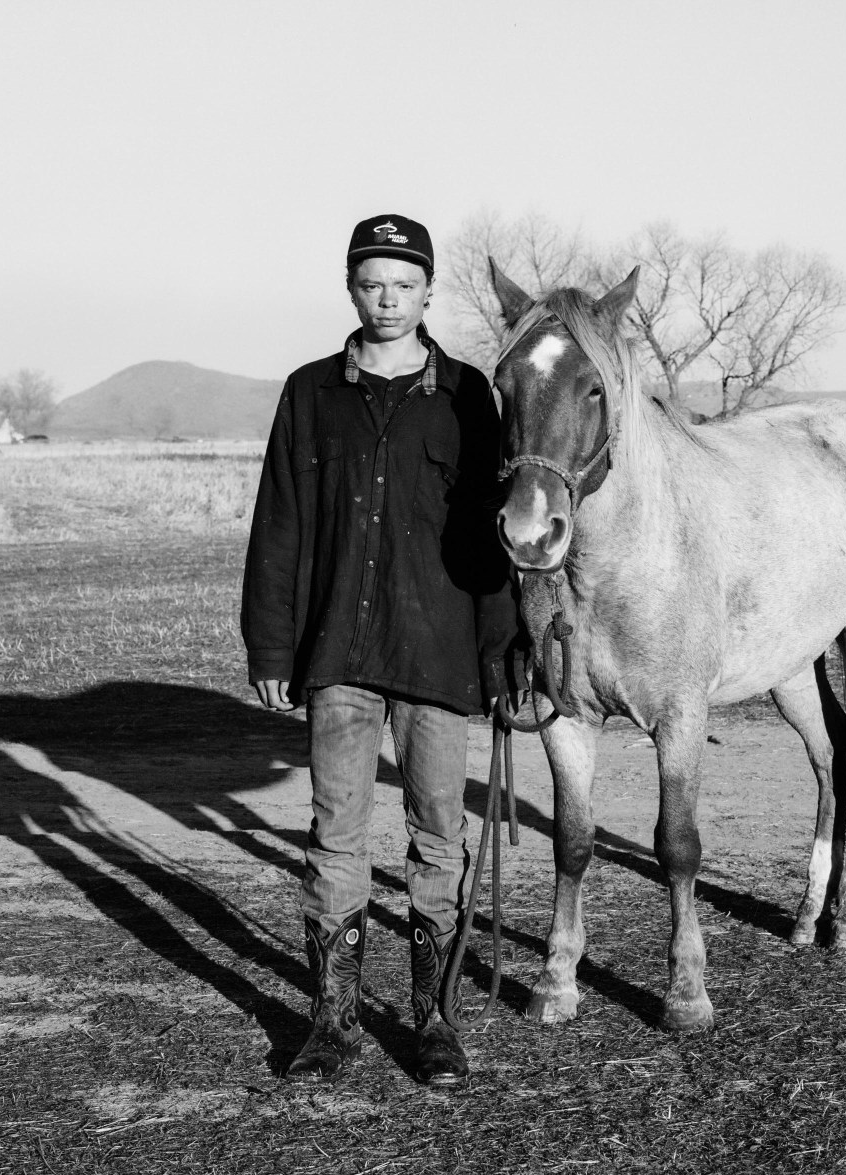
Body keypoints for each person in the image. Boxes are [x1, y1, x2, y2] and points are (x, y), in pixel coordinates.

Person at [241, 214, 520, 1086]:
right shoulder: (310, 392)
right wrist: (270, 644)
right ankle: (331, 1023)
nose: (388, 297)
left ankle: (433, 1021)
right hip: (337, 655)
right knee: (336, 833)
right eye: (372, 282)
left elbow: (492, 541)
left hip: (438, 657)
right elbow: (279, 524)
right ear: (351, 288)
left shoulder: (470, 395)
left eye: (404, 282)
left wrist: (503, 652)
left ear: (429, 291)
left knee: (439, 834)